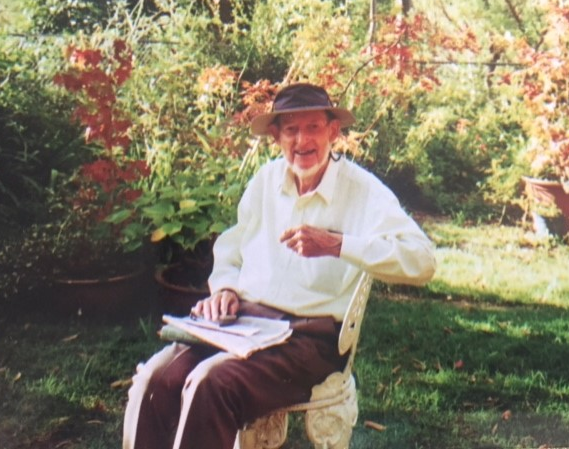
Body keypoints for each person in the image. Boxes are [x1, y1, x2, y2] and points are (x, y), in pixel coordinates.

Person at [122, 83, 436, 449]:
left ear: (333, 131)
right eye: (291, 129)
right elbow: (232, 247)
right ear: (276, 135)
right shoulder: (265, 181)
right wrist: (224, 288)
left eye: (314, 127)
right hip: (242, 326)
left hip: (309, 339)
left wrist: (338, 246)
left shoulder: (362, 190)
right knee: (154, 380)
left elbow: (423, 261)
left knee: (210, 382)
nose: (302, 140)